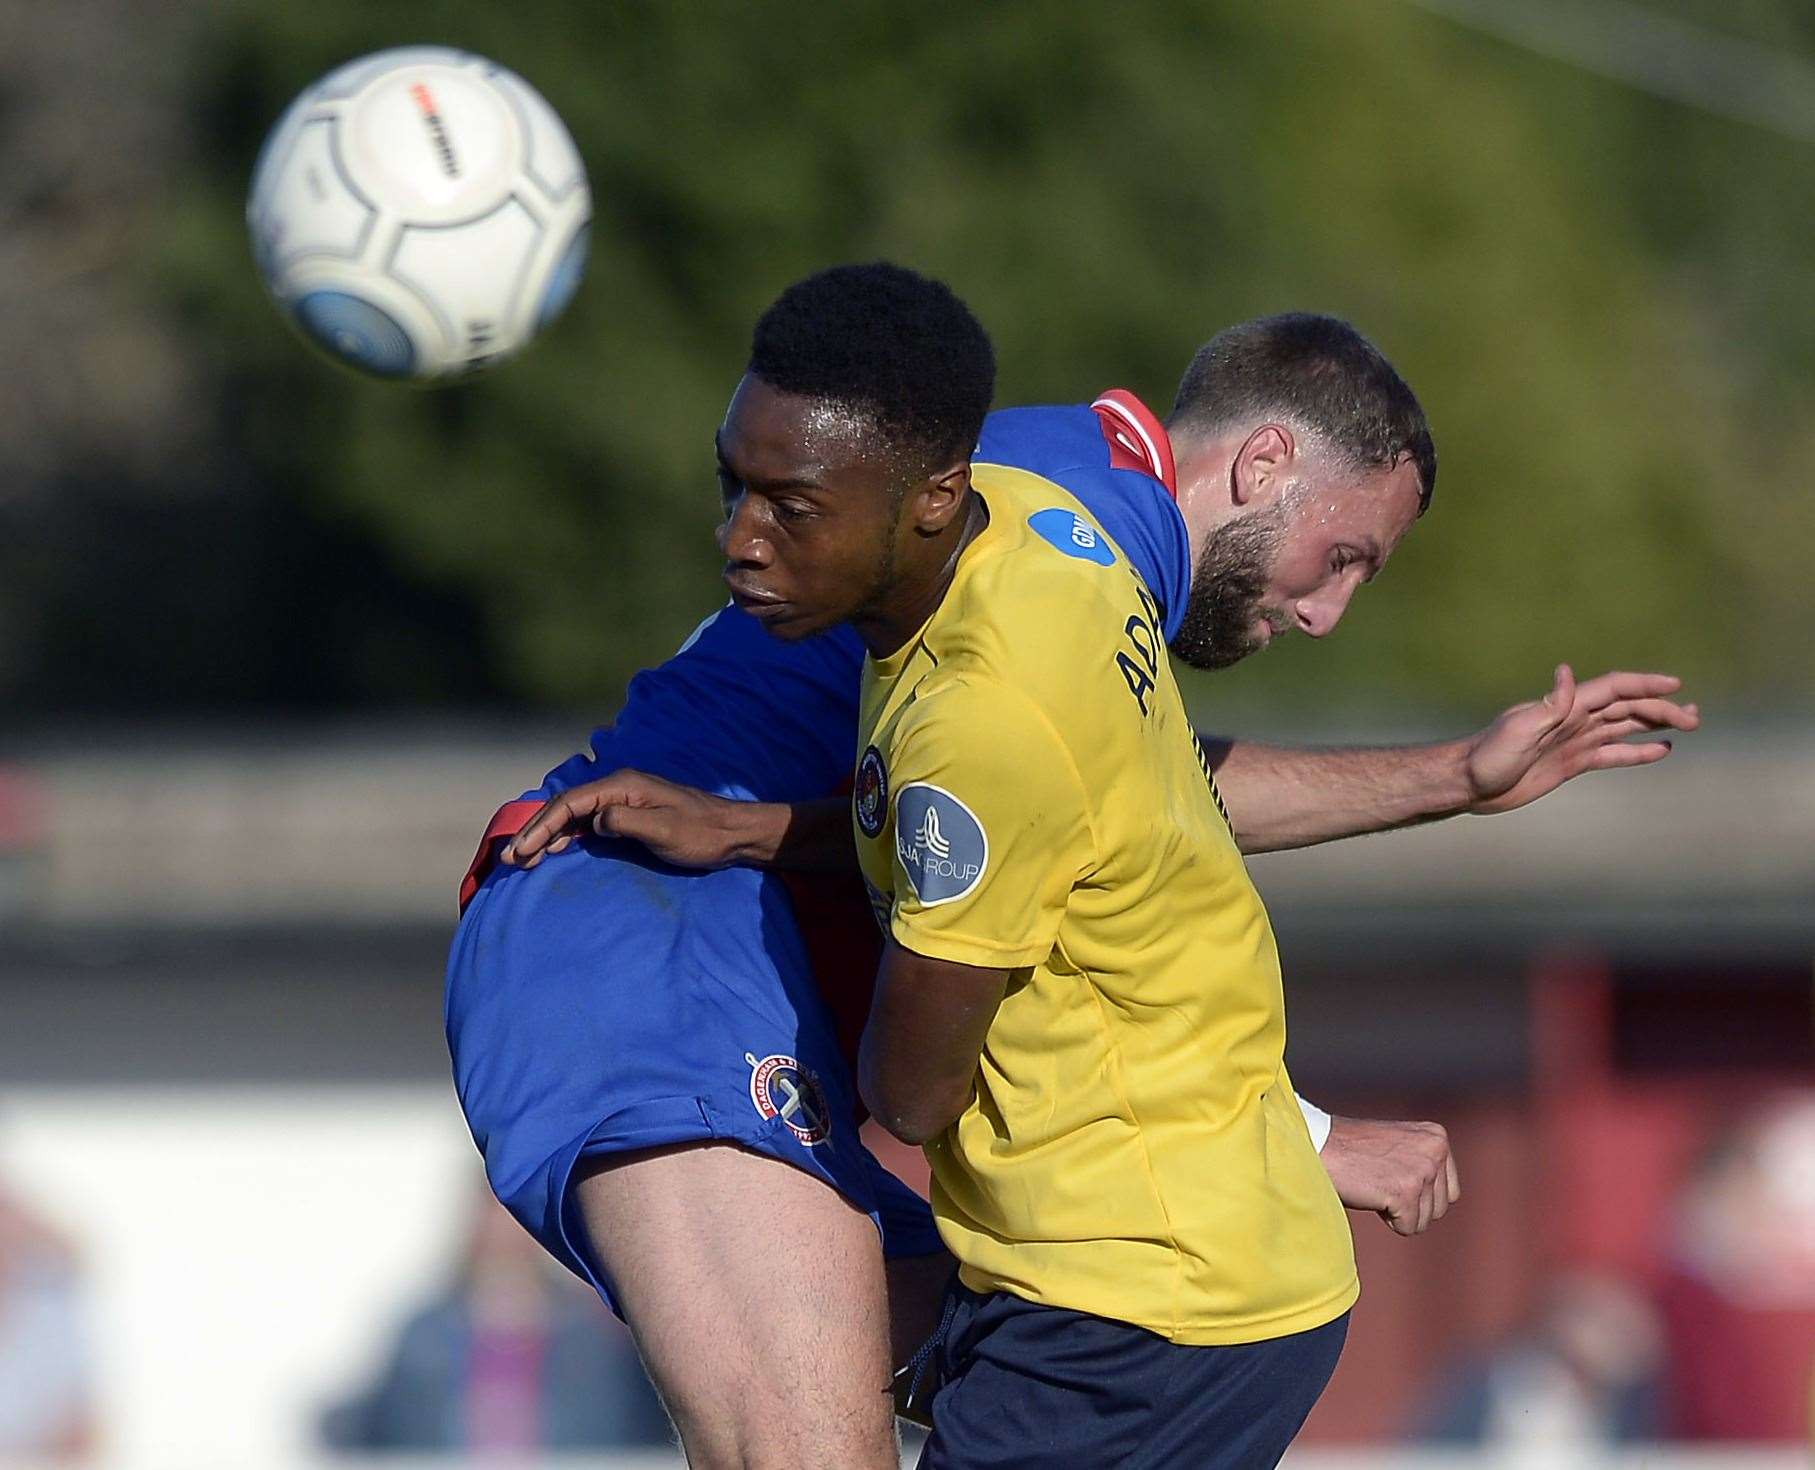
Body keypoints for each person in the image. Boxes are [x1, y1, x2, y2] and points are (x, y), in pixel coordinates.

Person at [454, 271, 1696, 1467]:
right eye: (1348, 557)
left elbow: (1110, 811)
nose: (1326, 613)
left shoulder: (1076, 519)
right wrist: (1294, 1134)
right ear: (1264, 464)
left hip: (732, 910)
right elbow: (1078, 852)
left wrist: (1454, 780)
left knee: (1077, 1309)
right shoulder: (1071, 539)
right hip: (652, 934)